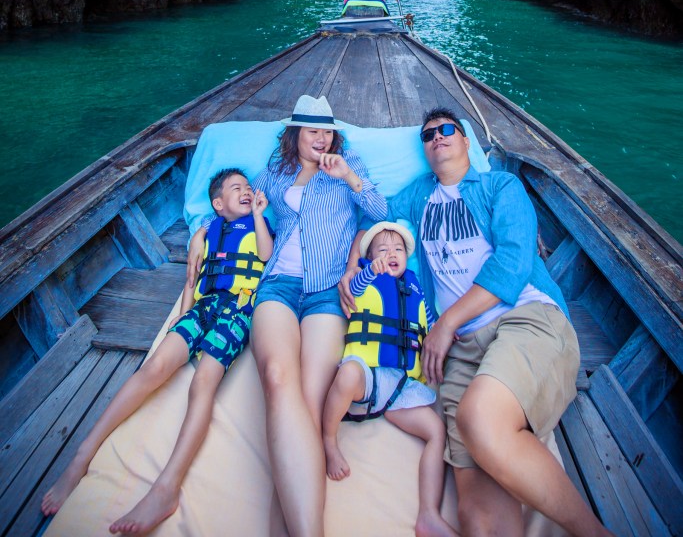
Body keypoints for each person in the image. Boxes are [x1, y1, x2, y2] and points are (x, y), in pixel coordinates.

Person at [341, 108, 615, 537]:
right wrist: (351, 263)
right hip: (462, 351)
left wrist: (445, 323)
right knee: (479, 519)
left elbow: (513, 263)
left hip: (525, 318)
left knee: (481, 419)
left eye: (446, 129)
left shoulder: (499, 185)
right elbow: (377, 216)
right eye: (428, 135)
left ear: (466, 140)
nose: (437, 137)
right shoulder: (419, 197)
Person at [186, 94, 387, 537]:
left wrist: (349, 176)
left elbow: (380, 214)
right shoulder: (274, 174)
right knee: (279, 379)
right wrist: (202, 230)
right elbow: (235, 202)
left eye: (327, 130)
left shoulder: (346, 163)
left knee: (310, 403)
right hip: (277, 282)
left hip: (327, 290)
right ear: (295, 134)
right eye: (312, 130)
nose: (321, 138)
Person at [42, 168, 274, 535]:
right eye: (236, 189)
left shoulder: (260, 226)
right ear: (218, 204)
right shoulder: (205, 233)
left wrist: (260, 214)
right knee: (153, 369)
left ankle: (166, 488)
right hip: (203, 306)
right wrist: (179, 322)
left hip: (239, 310)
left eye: (248, 187)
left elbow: (265, 254)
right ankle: (82, 456)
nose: (246, 191)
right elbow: (192, 281)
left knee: (202, 385)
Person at [323, 221, 459, 537]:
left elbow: (432, 322)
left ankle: (429, 514)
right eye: (382, 250)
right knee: (346, 375)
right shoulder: (363, 279)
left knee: (436, 431)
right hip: (368, 377)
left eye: (398, 249)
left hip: (403, 388)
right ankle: (329, 442)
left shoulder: (416, 288)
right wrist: (371, 270)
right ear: (370, 257)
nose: (391, 254)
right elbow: (354, 288)